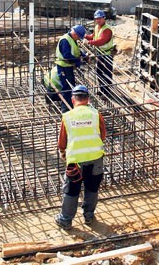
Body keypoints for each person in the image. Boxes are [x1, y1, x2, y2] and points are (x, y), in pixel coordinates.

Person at [55, 85, 106, 230]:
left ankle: (66, 220)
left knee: (71, 190)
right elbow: (103, 135)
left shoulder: (68, 116)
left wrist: (63, 152)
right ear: (88, 99)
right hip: (96, 158)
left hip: (75, 161)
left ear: (72, 100)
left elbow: (62, 142)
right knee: (92, 188)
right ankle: (89, 216)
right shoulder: (96, 114)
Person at [55, 25, 87, 112]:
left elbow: (75, 50)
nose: (78, 39)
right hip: (63, 67)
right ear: (75, 34)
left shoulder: (71, 39)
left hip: (68, 67)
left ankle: (70, 105)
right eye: (79, 37)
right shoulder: (65, 40)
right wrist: (78, 62)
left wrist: (83, 55)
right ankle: (65, 109)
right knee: (67, 88)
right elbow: (67, 56)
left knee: (71, 85)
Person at [85, 10, 115, 96]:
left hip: (106, 54)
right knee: (99, 72)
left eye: (100, 18)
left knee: (106, 74)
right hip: (100, 54)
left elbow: (102, 41)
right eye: (96, 19)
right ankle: (102, 90)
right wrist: (86, 37)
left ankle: (107, 93)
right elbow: (93, 36)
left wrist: (90, 42)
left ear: (104, 18)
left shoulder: (107, 29)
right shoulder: (97, 27)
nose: (98, 20)